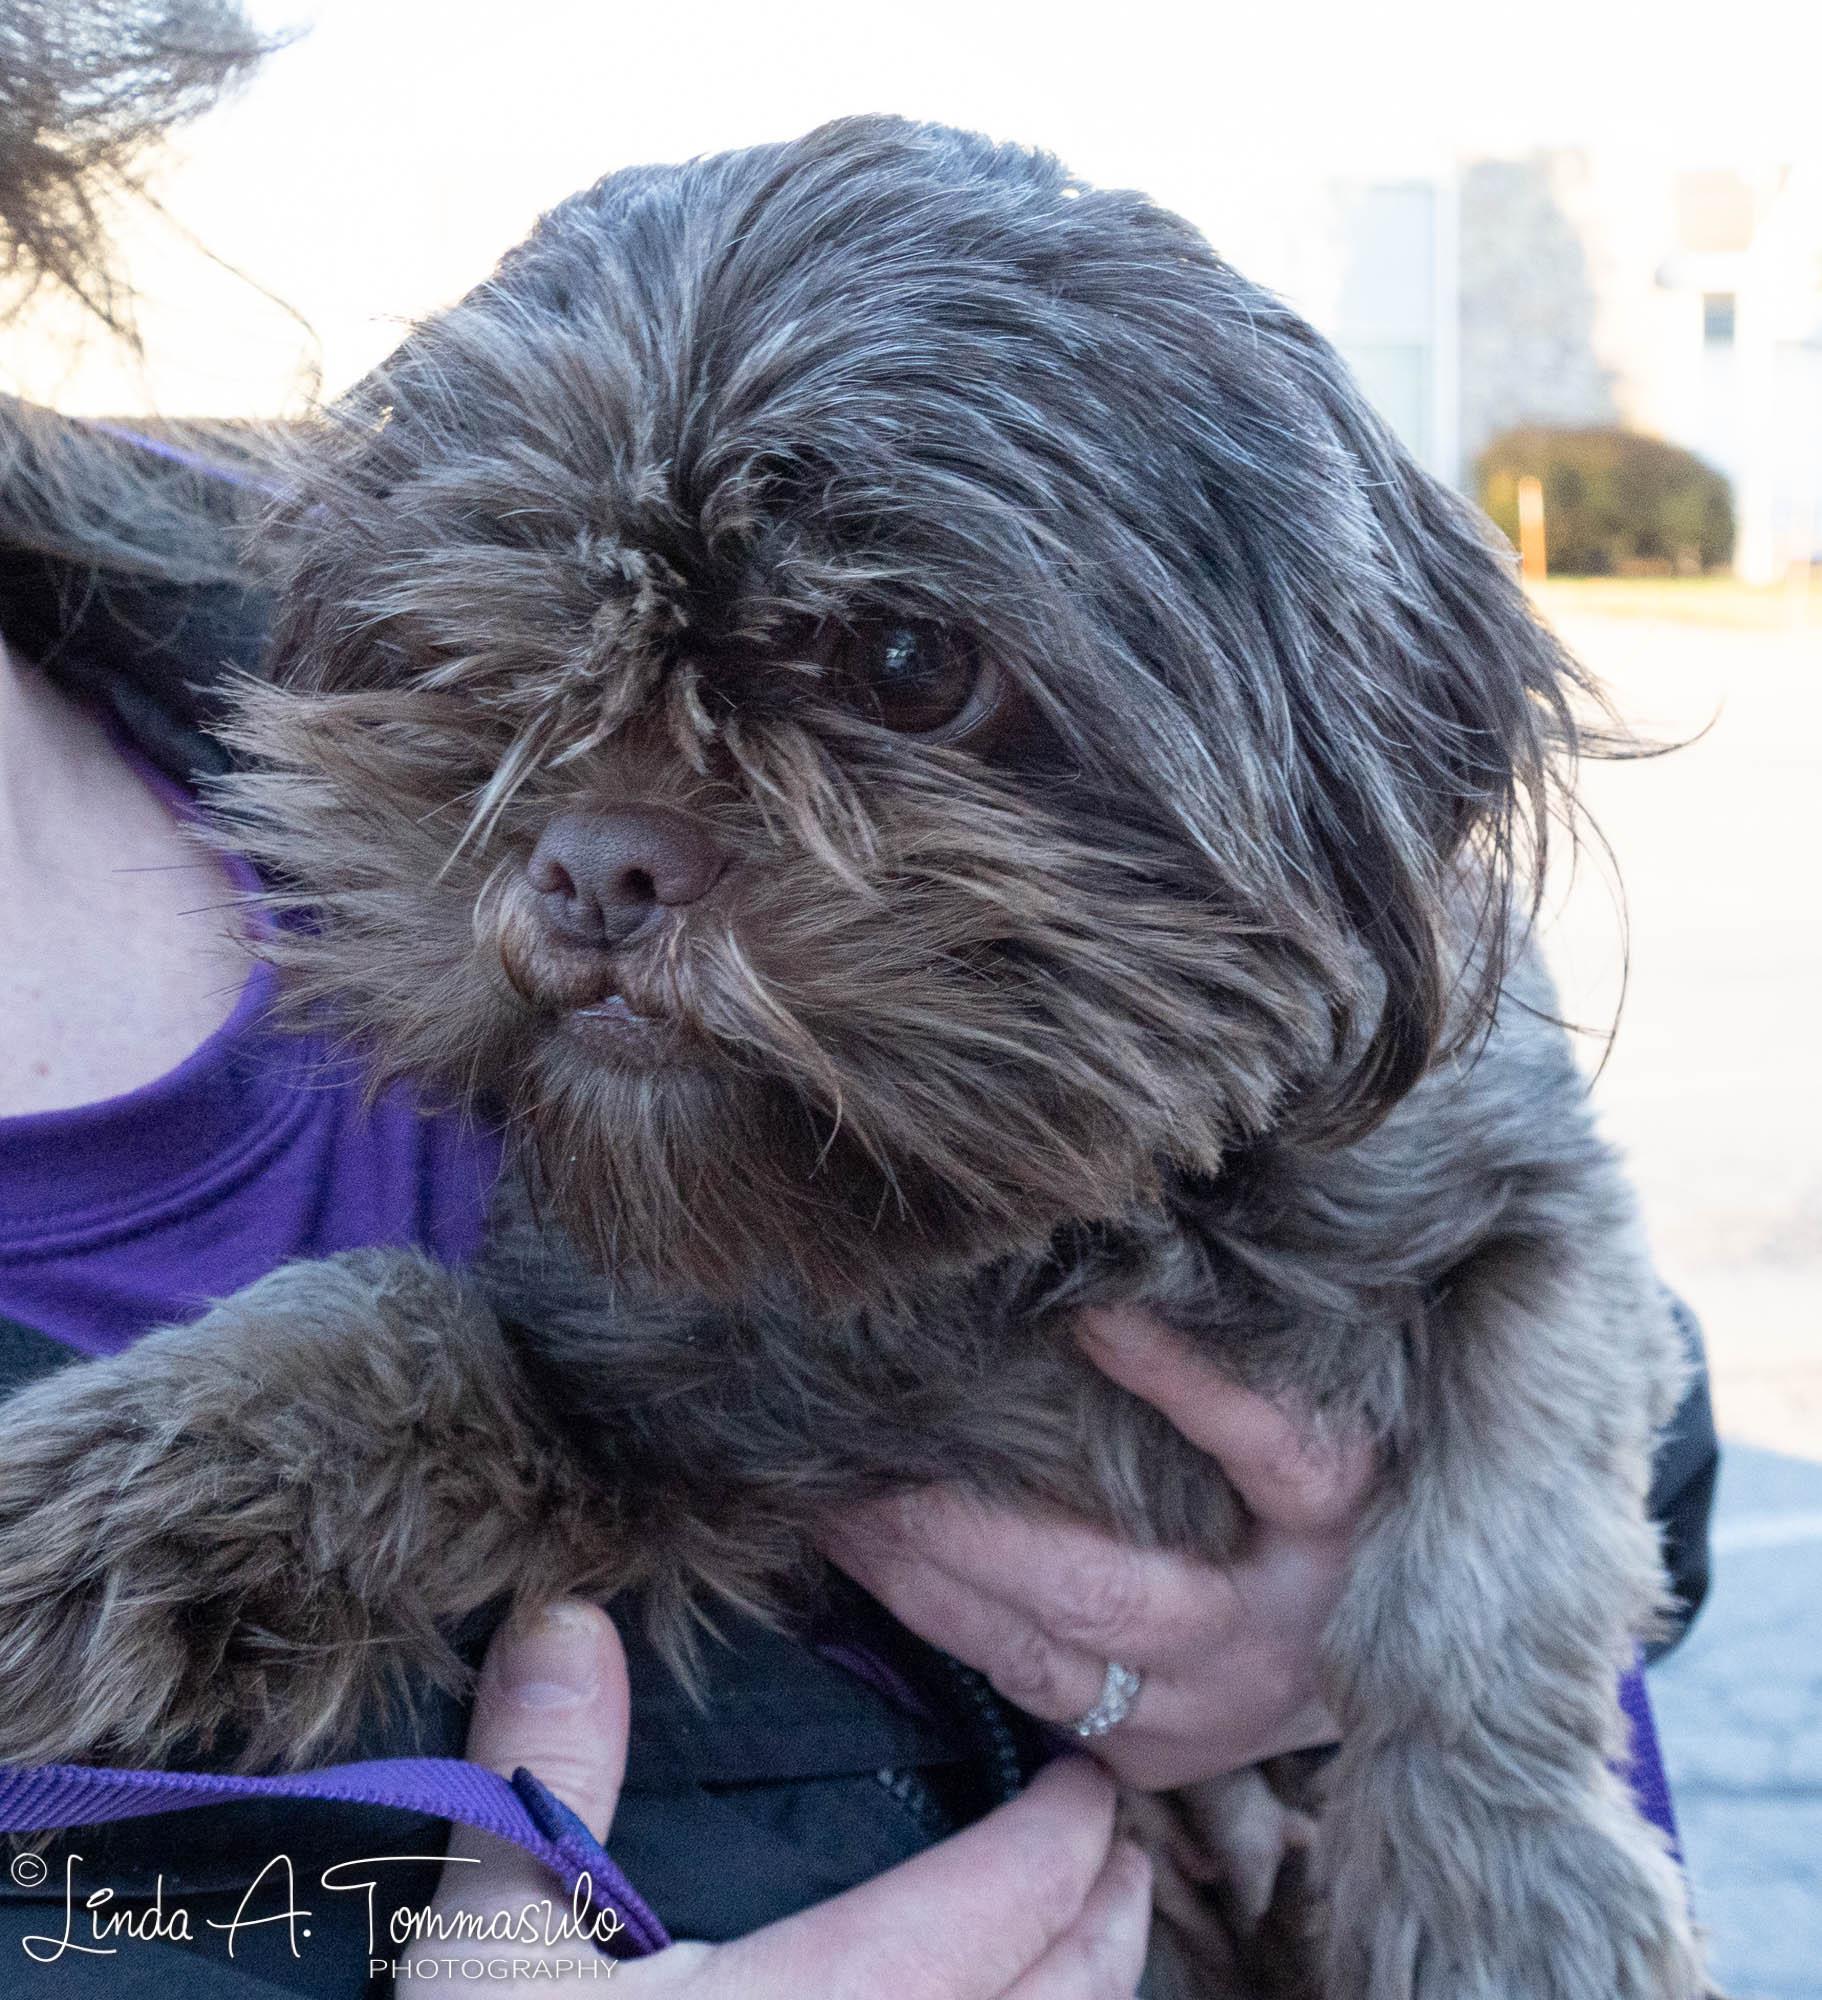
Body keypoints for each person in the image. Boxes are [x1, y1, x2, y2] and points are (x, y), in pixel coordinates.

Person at [0, 6, 1719, 1994]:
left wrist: (1435, 1679)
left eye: (895, 678)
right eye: (487, 694)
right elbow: (572, 1411)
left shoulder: (186, 578)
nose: (593, 864)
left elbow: (1530, 1256)